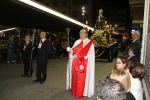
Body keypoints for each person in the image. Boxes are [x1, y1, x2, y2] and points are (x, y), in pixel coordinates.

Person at [66, 28, 95, 98]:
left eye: (83, 33)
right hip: (75, 63)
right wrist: (70, 50)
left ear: (86, 34)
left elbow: (91, 54)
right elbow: (73, 52)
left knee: (81, 78)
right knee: (75, 77)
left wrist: (87, 56)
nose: (81, 34)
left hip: (84, 64)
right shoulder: (77, 42)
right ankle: (74, 90)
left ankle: (82, 91)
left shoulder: (89, 43)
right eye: (80, 33)